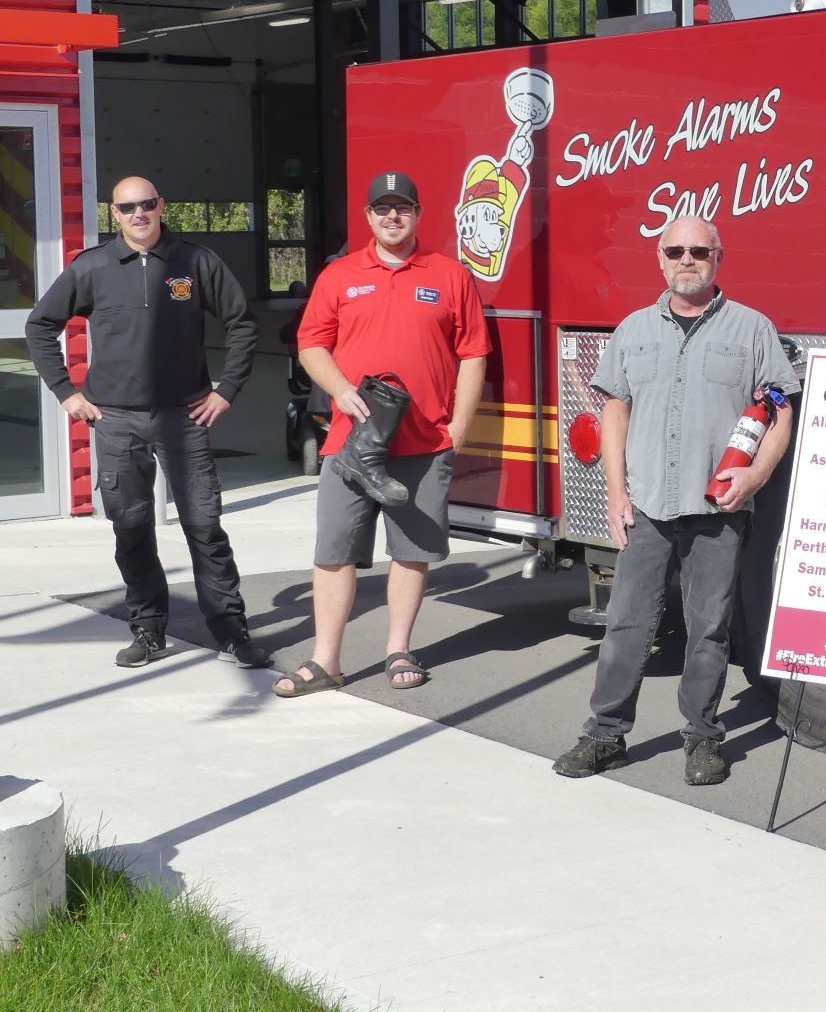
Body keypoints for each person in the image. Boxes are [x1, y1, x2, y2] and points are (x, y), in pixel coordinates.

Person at [552, 216, 797, 786]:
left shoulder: (753, 329)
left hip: (719, 511)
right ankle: (604, 737)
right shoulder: (633, 330)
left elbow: (780, 410)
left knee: (709, 627)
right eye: (676, 251)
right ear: (660, 259)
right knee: (626, 624)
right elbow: (615, 412)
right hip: (648, 508)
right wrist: (614, 491)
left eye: (700, 250)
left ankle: (703, 739)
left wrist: (756, 477)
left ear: (718, 257)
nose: (688, 259)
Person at [24, 176, 268, 669]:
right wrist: (66, 393)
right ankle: (148, 629)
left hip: (185, 417)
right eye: (128, 207)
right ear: (113, 214)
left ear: (162, 206)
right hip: (115, 421)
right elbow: (40, 325)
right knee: (131, 528)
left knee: (205, 527)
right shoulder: (91, 267)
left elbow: (242, 323)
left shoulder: (195, 262)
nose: (139, 214)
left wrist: (226, 390)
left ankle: (230, 632)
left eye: (147, 204)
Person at [273, 172, 489, 697]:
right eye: (382, 209)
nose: (393, 217)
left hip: (424, 442)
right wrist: (341, 390)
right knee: (333, 551)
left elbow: (473, 353)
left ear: (418, 213)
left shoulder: (450, 275)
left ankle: (399, 649)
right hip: (350, 446)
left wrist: (458, 425)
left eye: (402, 208)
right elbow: (311, 345)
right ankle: (326, 661)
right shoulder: (340, 276)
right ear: (368, 217)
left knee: (410, 551)